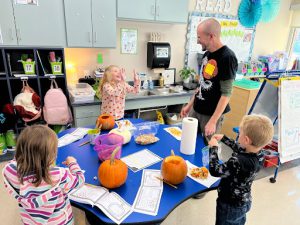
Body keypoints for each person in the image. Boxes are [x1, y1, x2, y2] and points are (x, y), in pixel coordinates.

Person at [2, 125, 85, 225]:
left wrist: (24, 153)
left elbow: (15, 161)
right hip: (59, 221)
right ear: (51, 155)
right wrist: (72, 163)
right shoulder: (59, 175)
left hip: (30, 221)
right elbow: (80, 180)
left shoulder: (9, 170)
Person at [208, 114, 274, 225]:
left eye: (240, 133)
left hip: (229, 205)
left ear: (247, 140)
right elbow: (242, 148)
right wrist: (224, 139)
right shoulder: (260, 154)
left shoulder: (238, 161)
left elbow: (215, 170)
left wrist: (213, 149)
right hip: (244, 202)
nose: (238, 135)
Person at [180, 18, 238, 142]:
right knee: (188, 142)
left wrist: (213, 121)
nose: (197, 41)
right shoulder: (207, 55)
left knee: (208, 151)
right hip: (196, 110)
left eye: (199, 37)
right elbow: (202, 84)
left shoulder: (227, 58)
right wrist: (189, 105)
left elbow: (226, 94)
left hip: (210, 115)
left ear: (211, 36)